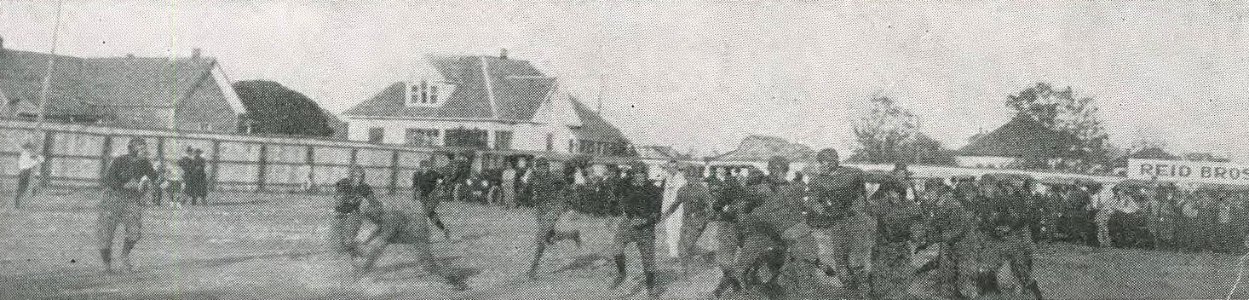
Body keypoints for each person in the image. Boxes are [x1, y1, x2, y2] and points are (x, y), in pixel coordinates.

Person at [352, 193, 468, 290]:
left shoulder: (389, 218)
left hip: (418, 234)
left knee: (429, 266)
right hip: (414, 231)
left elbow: (380, 244)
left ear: (376, 213)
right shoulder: (385, 216)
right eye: (368, 216)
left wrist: (365, 267)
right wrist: (365, 242)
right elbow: (378, 230)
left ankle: (457, 281)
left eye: (370, 216)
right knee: (427, 265)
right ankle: (453, 278)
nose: (370, 219)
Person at [804, 148, 872, 295]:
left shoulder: (852, 173)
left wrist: (858, 208)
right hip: (836, 221)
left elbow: (862, 196)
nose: (821, 165)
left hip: (855, 220)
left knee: (855, 260)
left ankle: (864, 288)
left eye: (825, 162)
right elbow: (813, 201)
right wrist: (821, 209)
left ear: (834, 162)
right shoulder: (817, 180)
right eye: (820, 162)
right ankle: (849, 290)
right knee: (841, 261)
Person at [96, 138, 157, 273]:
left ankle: (124, 257)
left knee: (135, 232)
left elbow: (154, 177)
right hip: (113, 199)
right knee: (106, 234)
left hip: (131, 200)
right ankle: (106, 264)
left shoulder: (145, 163)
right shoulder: (119, 161)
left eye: (144, 148)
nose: (144, 151)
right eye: (141, 149)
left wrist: (157, 176)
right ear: (132, 150)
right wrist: (124, 184)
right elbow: (108, 180)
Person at [609, 160, 663, 297]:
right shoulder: (625, 185)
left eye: (642, 174)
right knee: (616, 249)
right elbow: (614, 197)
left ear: (646, 175)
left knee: (648, 261)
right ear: (632, 175)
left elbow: (657, 214)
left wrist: (645, 220)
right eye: (636, 174)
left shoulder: (654, 190)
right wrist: (611, 213)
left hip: (645, 228)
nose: (639, 177)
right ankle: (622, 273)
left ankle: (651, 287)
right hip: (628, 222)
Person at [525, 157, 584, 279]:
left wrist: (574, 205)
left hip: (554, 207)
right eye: (540, 167)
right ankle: (573, 234)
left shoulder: (554, 177)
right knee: (549, 238)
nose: (543, 170)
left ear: (548, 167)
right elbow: (527, 189)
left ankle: (533, 269)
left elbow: (568, 189)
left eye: (545, 167)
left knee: (541, 237)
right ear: (537, 168)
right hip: (541, 210)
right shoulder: (533, 177)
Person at [661, 165, 714, 276]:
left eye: (693, 177)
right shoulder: (683, 190)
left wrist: (703, 222)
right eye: (689, 177)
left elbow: (710, 209)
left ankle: (684, 271)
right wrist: (665, 215)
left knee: (686, 245)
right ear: (685, 177)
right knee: (681, 246)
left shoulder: (702, 190)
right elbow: (675, 204)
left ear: (697, 177)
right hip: (686, 220)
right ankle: (705, 254)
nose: (691, 179)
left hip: (698, 221)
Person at [331, 165, 380, 257]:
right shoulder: (343, 183)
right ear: (351, 176)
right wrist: (348, 199)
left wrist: (375, 205)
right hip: (339, 213)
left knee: (348, 241)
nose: (359, 179)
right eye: (356, 176)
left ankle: (361, 254)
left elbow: (373, 202)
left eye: (361, 176)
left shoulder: (365, 187)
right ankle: (356, 252)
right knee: (337, 246)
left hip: (353, 214)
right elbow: (338, 201)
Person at [412, 160, 450, 240]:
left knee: (425, 213)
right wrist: (414, 196)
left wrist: (442, 186)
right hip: (423, 197)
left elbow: (444, 178)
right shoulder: (416, 174)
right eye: (423, 167)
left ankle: (420, 234)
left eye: (426, 167)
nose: (425, 168)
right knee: (431, 215)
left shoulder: (433, 173)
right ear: (420, 167)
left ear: (429, 167)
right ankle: (444, 229)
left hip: (434, 196)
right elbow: (414, 186)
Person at [660, 160, 688, 258]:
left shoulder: (682, 179)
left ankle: (679, 251)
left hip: (679, 208)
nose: (672, 169)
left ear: (677, 168)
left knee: (678, 229)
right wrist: (664, 210)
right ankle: (673, 253)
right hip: (668, 209)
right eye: (670, 167)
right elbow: (665, 195)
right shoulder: (667, 179)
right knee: (669, 229)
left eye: (674, 167)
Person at [12, 142, 43, 209]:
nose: (29, 149)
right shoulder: (24, 155)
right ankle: (18, 204)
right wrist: (35, 161)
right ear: (25, 148)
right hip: (24, 172)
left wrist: (37, 158)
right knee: (22, 188)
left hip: (28, 172)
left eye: (30, 148)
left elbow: (41, 159)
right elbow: (28, 164)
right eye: (28, 148)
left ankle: (24, 202)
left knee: (32, 188)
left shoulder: (29, 154)